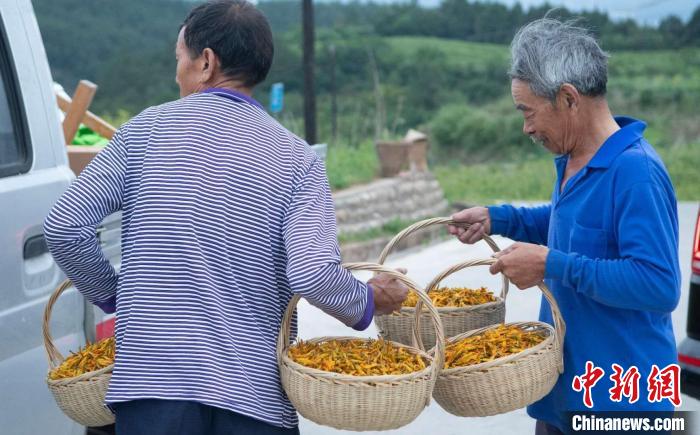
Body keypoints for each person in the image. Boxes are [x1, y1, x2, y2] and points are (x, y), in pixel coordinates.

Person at [44, 1, 408, 434]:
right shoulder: (297, 158)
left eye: (179, 58)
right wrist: (368, 299)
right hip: (253, 399)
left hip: (153, 392)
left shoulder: (146, 131)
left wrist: (118, 298)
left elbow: (64, 227)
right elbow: (312, 273)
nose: (176, 71)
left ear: (206, 62)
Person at [448, 17, 681, 435]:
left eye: (528, 112)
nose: (527, 128)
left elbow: (658, 285)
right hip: (562, 397)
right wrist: (498, 218)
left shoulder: (636, 173)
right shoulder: (574, 161)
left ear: (569, 99)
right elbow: (567, 226)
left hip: (620, 405)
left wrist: (553, 265)